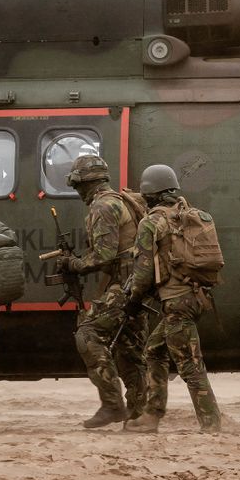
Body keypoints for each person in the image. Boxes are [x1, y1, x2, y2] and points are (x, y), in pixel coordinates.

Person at [122, 164, 223, 433]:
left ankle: (211, 423)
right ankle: (151, 416)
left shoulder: (151, 222)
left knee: (190, 363)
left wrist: (133, 300)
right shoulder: (184, 215)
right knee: (154, 350)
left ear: (149, 193)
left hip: (177, 303)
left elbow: (142, 272)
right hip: (195, 297)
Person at [56, 154, 148, 428]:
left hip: (124, 286)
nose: (77, 192)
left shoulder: (103, 206)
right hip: (137, 285)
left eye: (77, 186)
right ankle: (138, 414)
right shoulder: (121, 201)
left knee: (88, 334)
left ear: (86, 183)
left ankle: (112, 405)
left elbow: (104, 256)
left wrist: (73, 263)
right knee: (130, 349)